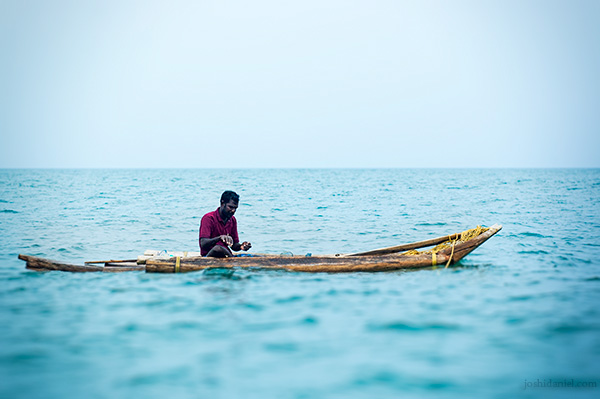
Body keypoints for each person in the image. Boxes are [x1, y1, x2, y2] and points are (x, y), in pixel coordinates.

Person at [199, 191, 252, 257]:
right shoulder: (209, 218)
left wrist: (241, 246)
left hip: (226, 256)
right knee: (218, 248)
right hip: (209, 255)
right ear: (222, 203)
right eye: (230, 207)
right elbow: (203, 244)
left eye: (235, 208)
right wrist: (219, 238)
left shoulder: (232, 220)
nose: (233, 211)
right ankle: (232, 259)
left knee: (251, 256)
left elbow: (234, 245)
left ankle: (232, 259)